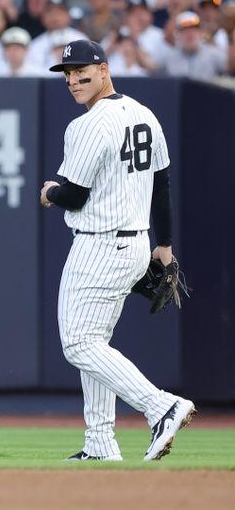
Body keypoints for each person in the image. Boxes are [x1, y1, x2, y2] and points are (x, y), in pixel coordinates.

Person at [40, 39, 196, 462]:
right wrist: (164, 247)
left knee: (78, 345)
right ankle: (100, 442)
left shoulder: (88, 124)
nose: (73, 80)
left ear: (104, 69)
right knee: (96, 343)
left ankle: (160, 405)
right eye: (68, 74)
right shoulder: (144, 113)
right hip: (137, 242)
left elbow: (73, 194)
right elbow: (161, 186)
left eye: (81, 71)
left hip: (100, 244)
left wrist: (50, 191)